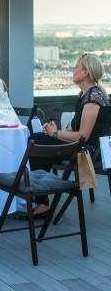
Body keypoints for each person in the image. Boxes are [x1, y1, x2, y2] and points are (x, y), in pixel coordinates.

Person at [28, 53, 110, 217]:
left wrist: (56, 133)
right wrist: (53, 132)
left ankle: (42, 201)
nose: (73, 70)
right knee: (38, 141)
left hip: (85, 152)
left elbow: (83, 136)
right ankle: (42, 200)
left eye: (75, 67)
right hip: (80, 146)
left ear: (85, 72)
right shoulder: (85, 95)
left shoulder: (93, 98)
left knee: (36, 142)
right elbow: (75, 129)